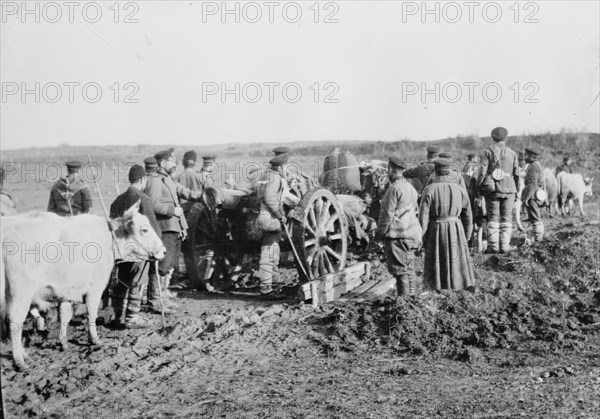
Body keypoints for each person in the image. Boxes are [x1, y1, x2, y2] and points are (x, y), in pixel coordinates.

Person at [145, 148, 204, 313]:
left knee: (169, 265)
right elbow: (154, 204)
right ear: (162, 163)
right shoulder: (155, 182)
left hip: (175, 229)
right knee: (161, 266)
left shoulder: (168, 180)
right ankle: (155, 301)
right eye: (172, 161)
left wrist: (205, 195)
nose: (175, 163)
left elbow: (186, 192)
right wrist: (172, 211)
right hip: (165, 229)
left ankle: (162, 298)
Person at [109, 165, 161, 328]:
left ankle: (117, 316)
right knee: (137, 281)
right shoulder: (143, 199)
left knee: (120, 281)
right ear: (142, 180)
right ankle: (132, 318)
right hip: (139, 249)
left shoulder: (118, 200)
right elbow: (152, 227)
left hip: (121, 249)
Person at [419, 158, 475, 291]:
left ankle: (437, 286)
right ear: (449, 171)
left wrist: (422, 238)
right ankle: (458, 285)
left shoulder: (429, 189)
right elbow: (468, 215)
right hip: (456, 228)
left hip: (436, 229)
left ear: (436, 171)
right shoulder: (460, 190)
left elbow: (423, 217)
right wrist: (466, 235)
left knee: (437, 259)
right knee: (457, 258)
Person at [375, 157, 421, 296]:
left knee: (401, 272)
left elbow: (386, 216)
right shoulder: (410, 187)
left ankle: (403, 302)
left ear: (390, 169)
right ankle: (411, 300)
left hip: (399, 236)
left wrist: (379, 236)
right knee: (409, 269)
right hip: (413, 234)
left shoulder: (394, 188)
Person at [476, 127, 520, 254]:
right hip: (510, 189)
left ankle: (493, 247)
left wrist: (479, 186)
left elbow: (482, 171)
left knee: (493, 217)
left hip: (493, 189)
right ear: (505, 138)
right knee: (507, 217)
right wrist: (516, 190)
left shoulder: (488, 151)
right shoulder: (512, 153)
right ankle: (505, 247)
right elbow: (517, 174)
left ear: (492, 138)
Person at [255, 154, 289, 296]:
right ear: (280, 167)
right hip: (269, 219)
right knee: (268, 254)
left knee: (272, 253)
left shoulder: (265, 176)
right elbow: (270, 198)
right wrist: (280, 215)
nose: (286, 169)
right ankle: (266, 290)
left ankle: (272, 286)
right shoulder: (275, 178)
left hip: (261, 217)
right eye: (286, 167)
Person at [522, 148, 545, 242]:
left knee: (535, 218)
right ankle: (536, 239)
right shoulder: (537, 165)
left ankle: (538, 240)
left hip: (532, 195)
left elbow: (532, 184)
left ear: (532, 156)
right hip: (536, 194)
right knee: (535, 218)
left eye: (526, 155)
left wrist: (527, 197)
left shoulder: (532, 166)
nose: (524, 157)